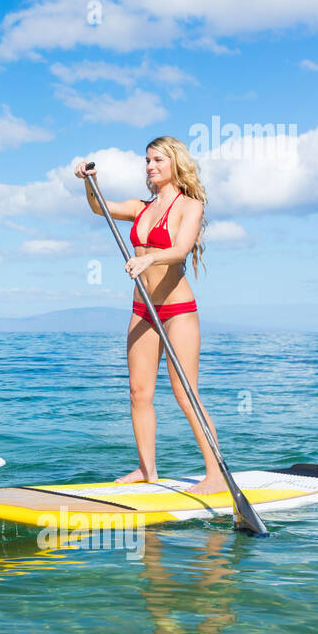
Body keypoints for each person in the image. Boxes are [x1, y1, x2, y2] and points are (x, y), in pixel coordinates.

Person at [74, 135, 226, 495]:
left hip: (177, 310)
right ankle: (147, 470)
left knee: (184, 392)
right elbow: (101, 209)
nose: (150, 166)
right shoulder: (140, 206)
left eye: (158, 160)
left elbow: (180, 249)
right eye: (147, 161)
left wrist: (149, 257)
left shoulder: (190, 205)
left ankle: (216, 474)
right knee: (138, 391)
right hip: (143, 308)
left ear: (175, 163)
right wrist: (88, 183)